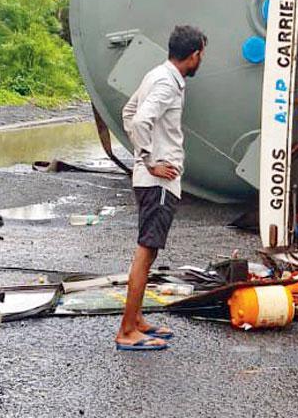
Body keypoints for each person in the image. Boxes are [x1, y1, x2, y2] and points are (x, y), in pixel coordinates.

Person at [114, 25, 207, 351]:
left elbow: (129, 112)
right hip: (158, 181)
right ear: (194, 54)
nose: (201, 60)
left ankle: (137, 320)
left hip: (152, 178)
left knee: (148, 251)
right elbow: (140, 121)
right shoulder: (168, 83)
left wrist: (143, 156)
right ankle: (127, 330)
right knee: (146, 251)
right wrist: (149, 159)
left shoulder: (158, 74)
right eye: (201, 54)